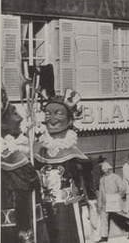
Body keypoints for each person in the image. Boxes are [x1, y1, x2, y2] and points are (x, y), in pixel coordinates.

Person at [34, 90, 95, 243]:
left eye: (58, 113)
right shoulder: (38, 149)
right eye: (48, 114)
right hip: (44, 209)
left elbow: (88, 181)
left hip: (68, 210)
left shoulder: (74, 153)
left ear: (69, 120)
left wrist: (92, 204)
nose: (52, 118)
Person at [1, 87, 50, 243]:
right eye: (14, 113)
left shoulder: (16, 145)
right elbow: (30, 177)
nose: (20, 117)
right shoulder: (9, 151)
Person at [97, 162, 129, 242]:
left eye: (106, 169)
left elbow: (122, 188)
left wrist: (118, 196)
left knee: (119, 217)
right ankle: (104, 237)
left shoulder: (116, 177)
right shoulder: (102, 179)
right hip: (105, 202)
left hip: (114, 201)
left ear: (109, 169)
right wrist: (99, 204)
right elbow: (101, 193)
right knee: (104, 218)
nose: (105, 171)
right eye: (103, 170)